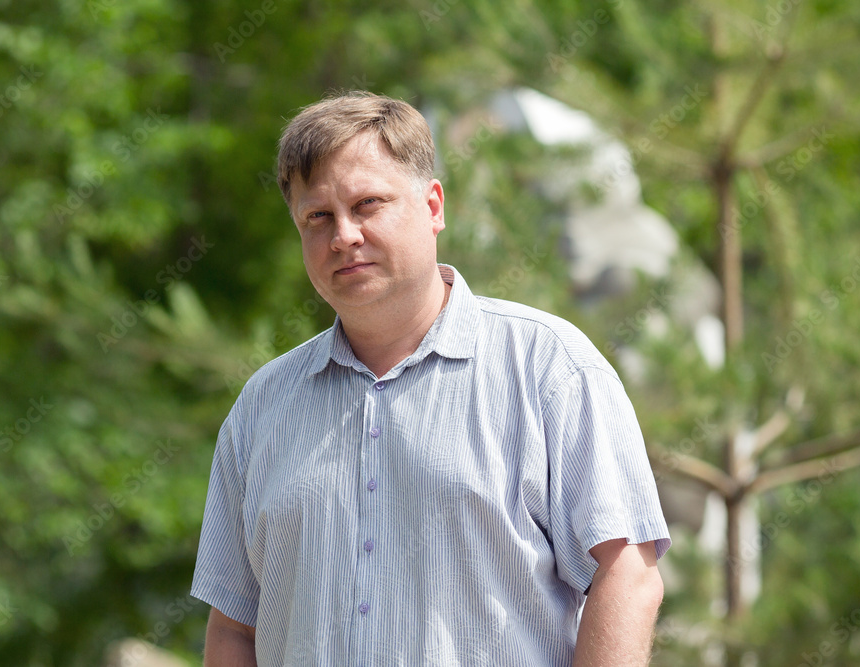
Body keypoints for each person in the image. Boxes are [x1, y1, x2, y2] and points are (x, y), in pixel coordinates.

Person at [191, 91, 671, 666]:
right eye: (318, 217)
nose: (343, 235)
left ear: (434, 205)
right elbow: (233, 629)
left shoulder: (548, 368)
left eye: (368, 204)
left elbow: (627, 575)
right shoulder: (261, 408)